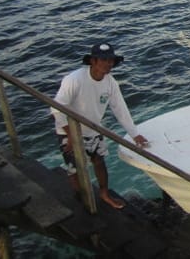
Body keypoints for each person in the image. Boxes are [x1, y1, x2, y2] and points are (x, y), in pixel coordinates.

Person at [51, 43, 148, 209]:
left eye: (111, 60)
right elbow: (56, 109)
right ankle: (81, 200)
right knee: (76, 169)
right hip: (69, 130)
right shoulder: (74, 80)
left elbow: (120, 109)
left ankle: (104, 194)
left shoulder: (110, 83)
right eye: (104, 60)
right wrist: (72, 136)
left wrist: (134, 134)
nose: (108, 64)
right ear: (93, 61)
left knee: (99, 161)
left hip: (93, 128)